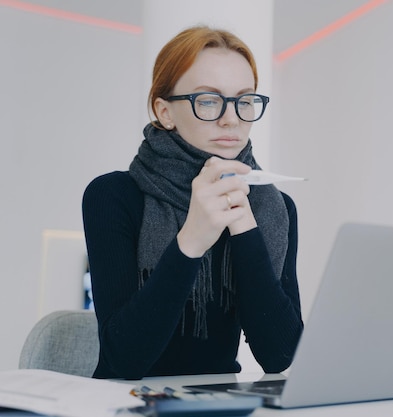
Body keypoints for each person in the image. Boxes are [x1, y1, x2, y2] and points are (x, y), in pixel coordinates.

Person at [82, 25, 303, 379]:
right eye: (209, 100)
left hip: (221, 400)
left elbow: (279, 355)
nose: (231, 118)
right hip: (125, 402)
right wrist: (193, 238)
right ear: (165, 111)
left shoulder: (274, 207)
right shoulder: (113, 196)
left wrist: (243, 223)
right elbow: (123, 360)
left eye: (244, 100)